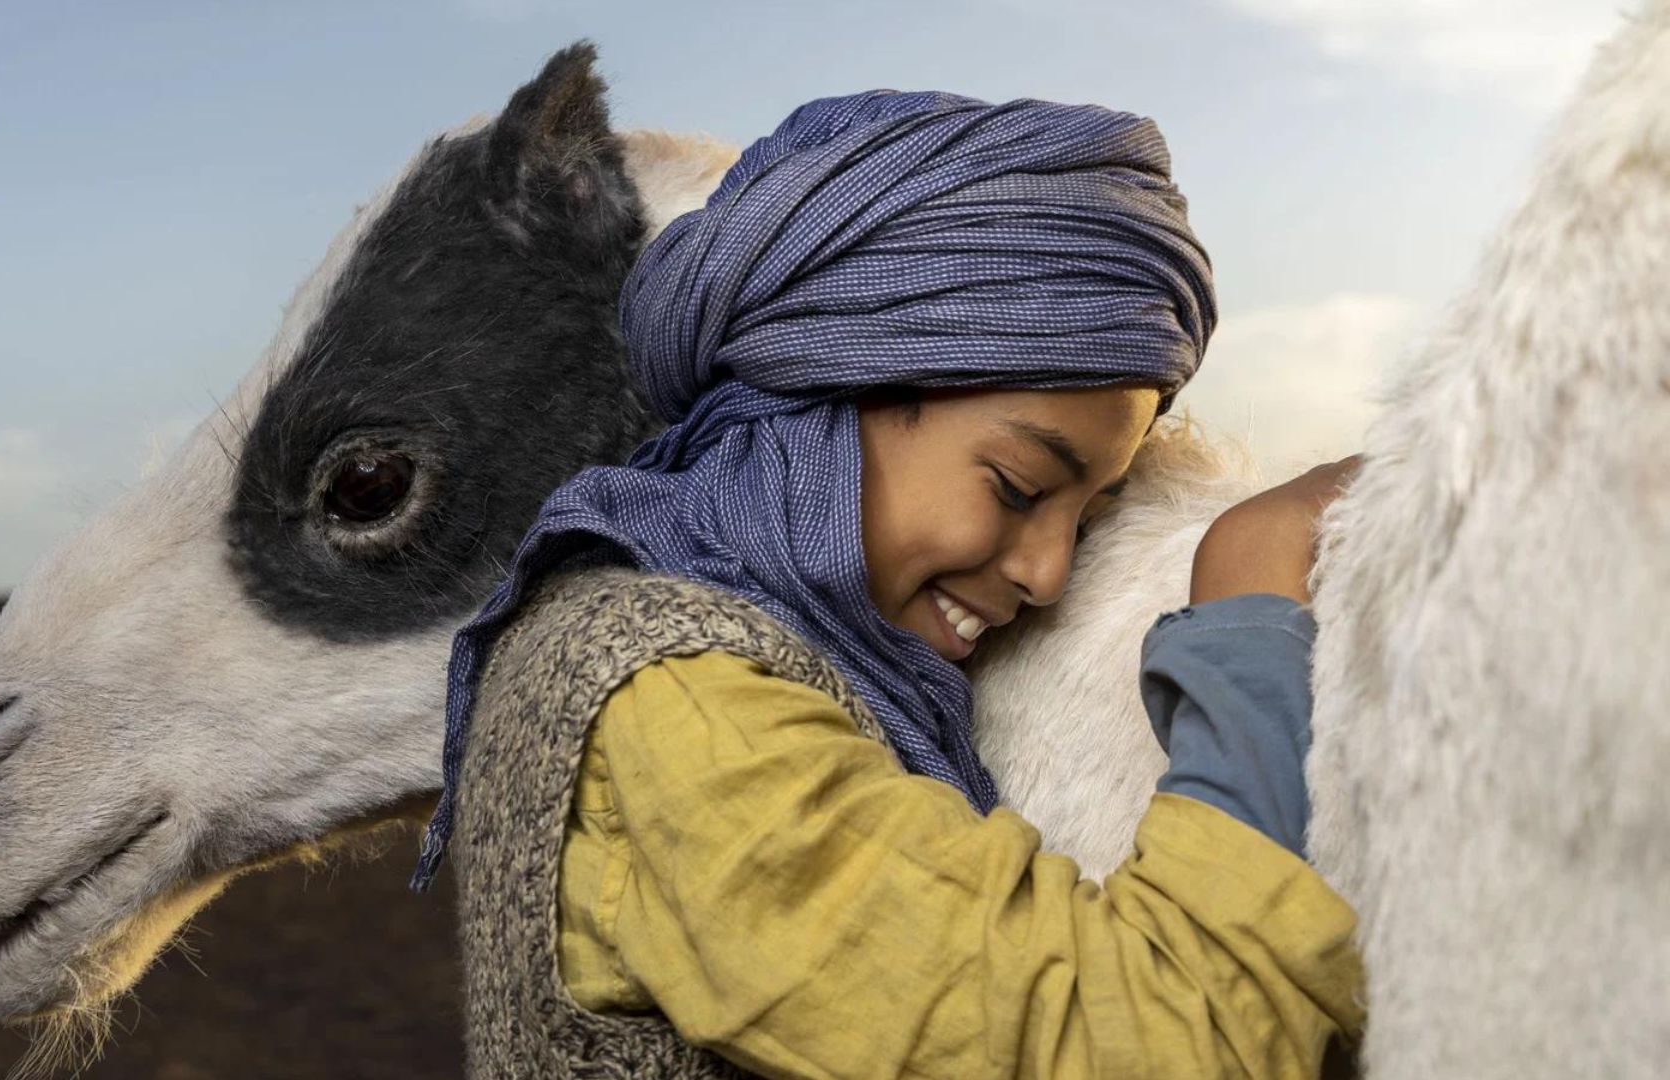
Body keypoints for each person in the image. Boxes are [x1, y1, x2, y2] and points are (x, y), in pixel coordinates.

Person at [419, 90, 1364, 1079]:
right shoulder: (682, 710)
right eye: (1017, 486)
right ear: (830, 382)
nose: (1047, 572)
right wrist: (1253, 594)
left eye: (1083, 518)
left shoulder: (708, 633)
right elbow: (1145, 1046)